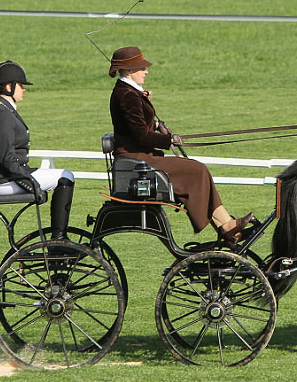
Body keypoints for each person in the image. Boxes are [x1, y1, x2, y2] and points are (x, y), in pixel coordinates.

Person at [107, 46, 252, 243]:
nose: (146, 71)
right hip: (136, 159)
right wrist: (169, 140)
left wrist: (157, 124)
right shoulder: (127, 95)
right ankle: (226, 225)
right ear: (130, 70)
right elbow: (140, 135)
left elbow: (136, 125)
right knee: (197, 170)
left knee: (198, 170)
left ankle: (226, 226)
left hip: (140, 156)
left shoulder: (129, 92)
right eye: (142, 68)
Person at [0, 60, 75, 240]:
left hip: (7, 176)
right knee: (66, 177)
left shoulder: (5, 111)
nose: (24, 89)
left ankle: (59, 236)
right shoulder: (2, 115)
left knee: (65, 175)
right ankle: (59, 237)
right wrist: (28, 183)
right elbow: (6, 158)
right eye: (20, 85)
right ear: (9, 87)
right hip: (0, 181)